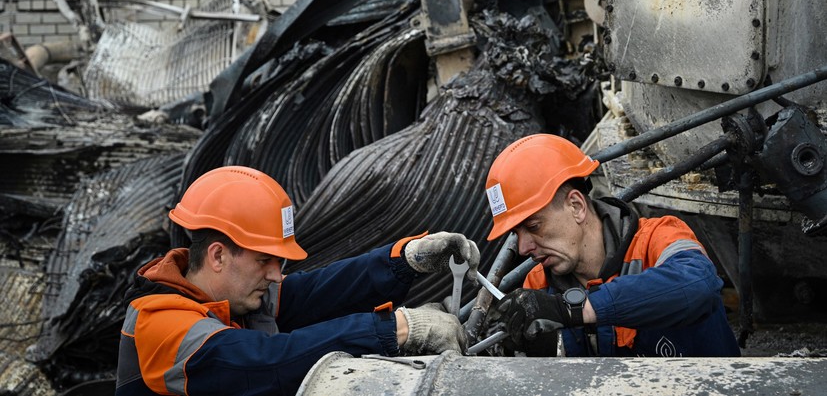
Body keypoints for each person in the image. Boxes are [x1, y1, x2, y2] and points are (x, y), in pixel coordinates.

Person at [115, 165, 479, 396]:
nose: (276, 274)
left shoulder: (232, 296)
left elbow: (314, 293)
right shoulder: (159, 322)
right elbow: (265, 362)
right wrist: (399, 329)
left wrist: (404, 260)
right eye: (264, 260)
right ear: (218, 256)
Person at [484, 133, 740, 357]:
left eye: (533, 226)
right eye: (517, 234)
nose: (523, 248)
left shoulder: (657, 238)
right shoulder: (538, 286)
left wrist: (574, 309)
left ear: (576, 206)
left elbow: (700, 284)